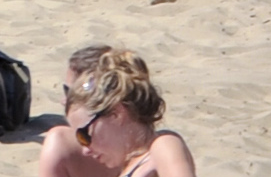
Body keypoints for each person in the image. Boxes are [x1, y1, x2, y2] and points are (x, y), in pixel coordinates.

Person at [43, 47, 196, 177]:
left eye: (84, 135)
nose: (85, 150)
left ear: (117, 114)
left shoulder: (162, 146)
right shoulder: (132, 165)